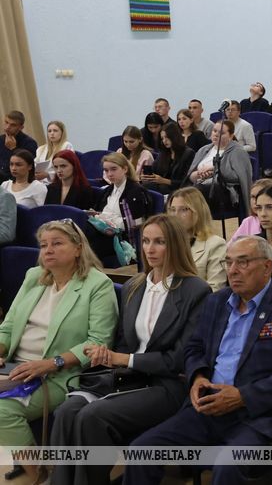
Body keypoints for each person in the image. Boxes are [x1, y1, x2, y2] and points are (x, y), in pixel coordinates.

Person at [123, 236, 272, 485]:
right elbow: (194, 348)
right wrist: (198, 376)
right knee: (142, 451)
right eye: (228, 262)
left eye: (243, 262)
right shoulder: (217, 301)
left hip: (257, 415)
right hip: (208, 407)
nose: (232, 270)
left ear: (267, 267)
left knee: (228, 464)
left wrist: (242, 396)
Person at [50, 215, 210, 485]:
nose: (150, 249)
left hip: (167, 385)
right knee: (67, 411)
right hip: (127, 377)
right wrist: (106, 355)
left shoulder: (197, 291)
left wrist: (124, 358)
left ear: (175, 245)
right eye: (145, 241)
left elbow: (178, 360)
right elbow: (124, 342)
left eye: (159, 242)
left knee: (92, 416)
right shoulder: (134, 287)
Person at [0, 220, 117, 483]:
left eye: (57, 243)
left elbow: (98, 341)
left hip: (58, 375)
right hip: (15, 367)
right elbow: (8, 327)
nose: (48, 250)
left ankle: (38, 476)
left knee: (1, 411)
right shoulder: (34, 277)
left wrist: (51, 363)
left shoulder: (98, 284)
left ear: (78, 248)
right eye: (43, 245)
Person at [88, 152, 151, 261]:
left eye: (113, 169)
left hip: (123, 239)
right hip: (105, 233)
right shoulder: (107, 191)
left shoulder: (136, 192)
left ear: (125, 169)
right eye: (106, 170)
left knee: (88, 242)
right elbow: (102, 213)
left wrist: (105, 219)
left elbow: (137, 224)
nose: (109, 174)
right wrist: (97, 216)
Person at [187, 120, 253, 216]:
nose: (216, 135)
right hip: (200, 186)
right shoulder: (204, 149)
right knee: (181, 194)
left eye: (221, 133)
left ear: (231, 136)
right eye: (214, 131)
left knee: (195, 192)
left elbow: (239, 178)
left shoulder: (238, 151)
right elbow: (190, 176)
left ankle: (195, 222)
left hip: (225, 192)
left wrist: (215, 169)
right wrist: (199, 174)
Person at [167, 187, 228, 291]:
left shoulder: (215, 244)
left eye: (184, 209)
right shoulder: (165, 242)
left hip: (197, 300)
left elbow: (215, 289)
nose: (176, 215)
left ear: (198, 212)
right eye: (173, 210)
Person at [141, 123, 195, 195]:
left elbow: (186, 181)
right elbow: (154, 169)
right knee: (143, 187)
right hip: (162, 187)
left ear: (174, 137)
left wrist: (164, 180)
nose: (164, 141)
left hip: (178, 189)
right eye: (162, 138)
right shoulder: (164, 152)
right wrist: (147, 177)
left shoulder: (188, 153)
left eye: (166, 137)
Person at [230, 178, 272, 243]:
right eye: (253, 197)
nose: (255, 201)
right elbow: (231, 245)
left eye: (259, 196)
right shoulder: (248, 222)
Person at [1, 110, 38, 183]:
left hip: (17, 181)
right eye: (6, 122)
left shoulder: (30, 143)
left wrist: (13, 149)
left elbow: (28, 166)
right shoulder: (0, 139)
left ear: (21, 127)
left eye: (13, 125)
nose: (7, 127)